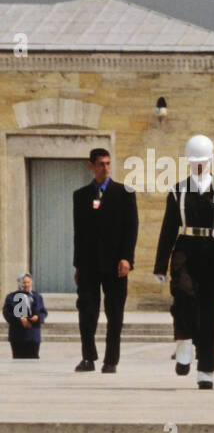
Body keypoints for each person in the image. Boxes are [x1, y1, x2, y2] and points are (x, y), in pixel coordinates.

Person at [152, 134, 214, 389]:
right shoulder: (178, 191)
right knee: (183, 299)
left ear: (211, 160)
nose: (198, 165)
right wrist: (160, 266)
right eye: (194, 161)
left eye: (202, 161)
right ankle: (183, 341)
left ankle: (207, 370)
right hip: (186, 252)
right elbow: (168, 230)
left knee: (209, 316)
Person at [72, 147, 139, 373]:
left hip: (115, 265)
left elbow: (131, 229)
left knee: (115, 312)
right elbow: (78, 233)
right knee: (87, 311)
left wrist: (127, 258)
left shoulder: (124, 193)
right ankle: (88, 357)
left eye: (108, 163)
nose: (106, 168)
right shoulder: (80, 196)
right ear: (91, 166)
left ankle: (111, 360)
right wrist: (78, 265)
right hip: (89, 265)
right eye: (101, 164)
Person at [3, 274, 47, 359]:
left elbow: (43, 312)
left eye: (28, 282)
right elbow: (6, 313)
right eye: (24, 282)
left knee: (33, 360)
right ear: (19, 283)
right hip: (17, 336)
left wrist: (37, 317)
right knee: (18, 360)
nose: (26, 285)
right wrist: (20, 320)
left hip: (33, 335)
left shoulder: (37, 296)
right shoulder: (11, 297)